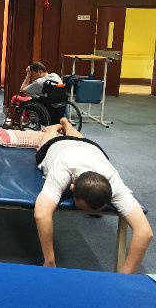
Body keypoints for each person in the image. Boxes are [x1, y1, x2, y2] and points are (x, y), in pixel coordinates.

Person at [33, 117, 153, 274]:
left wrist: (124, 276)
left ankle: (67, 124)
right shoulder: (62, 170)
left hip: (89, 147)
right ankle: (55, 127)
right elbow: (41, 215)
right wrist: (49, 261)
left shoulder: (114, 182)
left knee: (79, 140)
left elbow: (145, 233)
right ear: (72, 188)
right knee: (46, 138)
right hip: (57, 145)